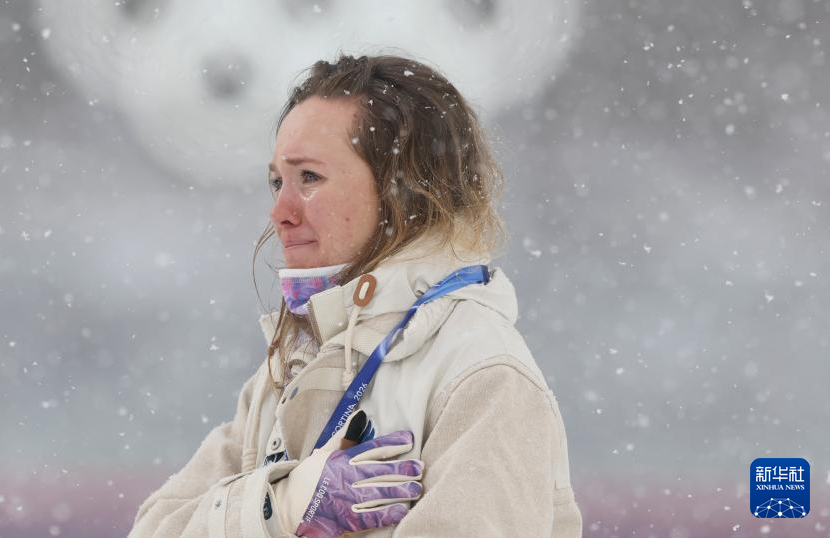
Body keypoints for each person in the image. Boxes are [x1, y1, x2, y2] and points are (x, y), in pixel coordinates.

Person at [128, 54, 583, 537]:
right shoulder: (291, 365)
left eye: (309, 177)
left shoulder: (483, 373)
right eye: (277, 181)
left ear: (402, 188)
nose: (279, 211)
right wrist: (278, 507)